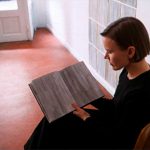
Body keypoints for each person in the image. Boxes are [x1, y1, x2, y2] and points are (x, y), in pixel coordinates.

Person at [24, 17, 150, 150]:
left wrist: (87, 118)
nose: (105, 56)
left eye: (110, 51)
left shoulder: (142, 92)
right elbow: (117, 107)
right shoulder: (128, 72)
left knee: (56, 125)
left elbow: (118, 139)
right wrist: (88, 95)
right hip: (112, 125)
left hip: (111, 138)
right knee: (54, 118)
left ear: (130, 51)